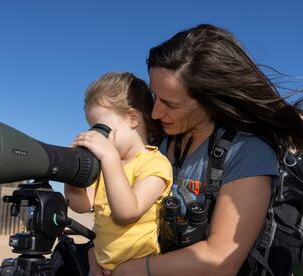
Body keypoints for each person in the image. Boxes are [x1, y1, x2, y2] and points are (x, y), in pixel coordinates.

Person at [110, 24, 303, 275]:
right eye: (155, 96)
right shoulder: (160, 141)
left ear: (209, 100)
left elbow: (221, 259)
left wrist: (133, 270)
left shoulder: (248, 152)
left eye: (170, 103)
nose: (156, 112)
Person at [64, 72, 173, 275]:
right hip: (101, 268)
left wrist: (109, 158)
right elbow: (81, 205)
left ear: (132, 118)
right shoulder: (106, 165)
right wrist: (72, 172)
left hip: (138, 269)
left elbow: (127, 212)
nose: (97, 137)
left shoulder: (155, 164)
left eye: (101, 129)